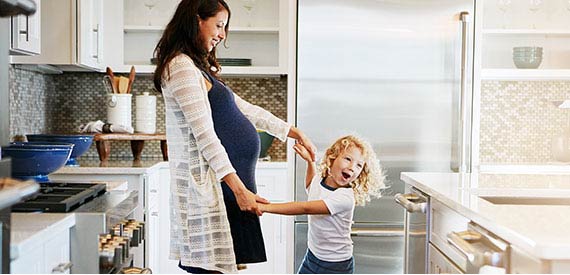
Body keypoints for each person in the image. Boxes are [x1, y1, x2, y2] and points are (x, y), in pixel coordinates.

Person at [151, 0, 317, 273]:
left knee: (226, 268)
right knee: (210, 268)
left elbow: (244, 109)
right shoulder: (180, 67)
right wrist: (240, 191)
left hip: (229, 188)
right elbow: (205, 136)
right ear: (196, 20)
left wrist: (291, 131)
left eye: (225, 27)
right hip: (219, 189)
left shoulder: (196, 67)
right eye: (218, 25)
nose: (222, 34)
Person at [259, 135, 386, 274]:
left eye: (359, 165)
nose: (352, 167)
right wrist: (310, 162)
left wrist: (266, 207)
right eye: (348, 159)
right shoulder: (321, 179)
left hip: (336, 265)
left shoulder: (345, 197)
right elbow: (310, 186)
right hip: (312, 256)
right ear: (332, 157)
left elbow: (305, 208)